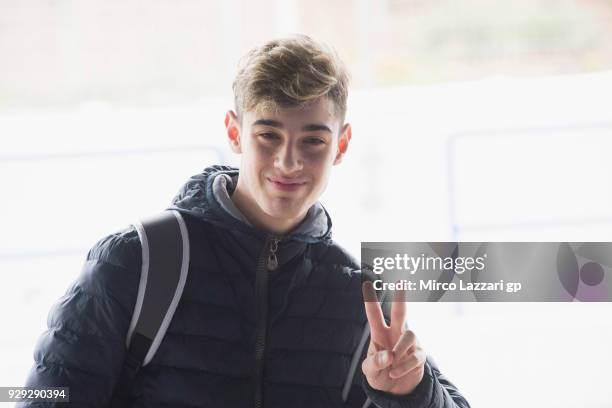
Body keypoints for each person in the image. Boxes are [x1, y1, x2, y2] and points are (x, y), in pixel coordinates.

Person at [20, 34, 470, 407]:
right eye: (268, 136)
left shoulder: (358, 296)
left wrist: (408, 392)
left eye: (313, 140)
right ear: (235, 133)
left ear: (342, 144)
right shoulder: (139, 261)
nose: (289, 161)